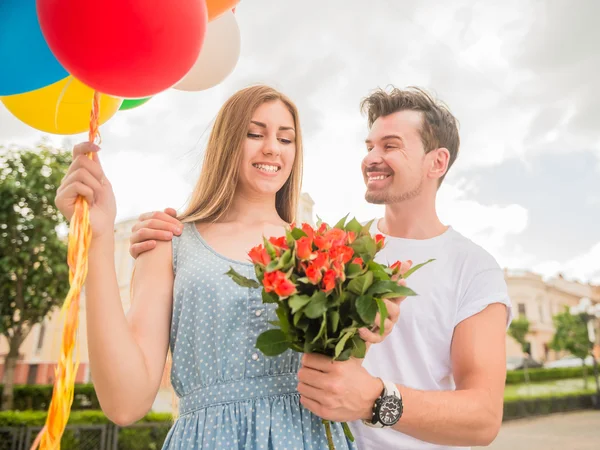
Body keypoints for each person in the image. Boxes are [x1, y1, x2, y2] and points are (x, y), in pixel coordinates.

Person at [130, 86, 513, 450]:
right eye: (369, 146)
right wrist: (166, 238)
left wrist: (375, 401)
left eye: (390, 146)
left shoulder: (473, 269)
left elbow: (483, 417)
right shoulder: (324, 248)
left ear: (437, 162)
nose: (371, 157)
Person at [55, 85, 406, 450]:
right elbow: (125, 404)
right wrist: (95, 239)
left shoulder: (324, 251)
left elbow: (346, 378)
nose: (271, 147)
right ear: (225, 142)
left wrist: (368, 318)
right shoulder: (169, 241)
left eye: (286, 139)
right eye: (254, 133)